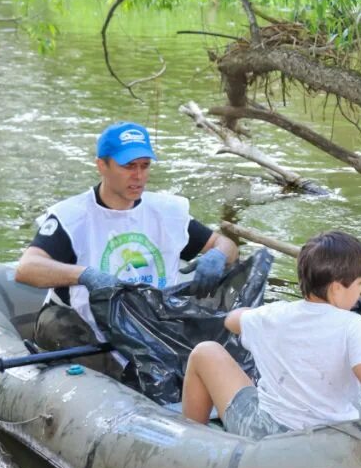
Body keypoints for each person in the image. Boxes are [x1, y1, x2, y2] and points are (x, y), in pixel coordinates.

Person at [180, 230, 361, 439]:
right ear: (335, 289)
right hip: (333, 433)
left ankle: (193, 438)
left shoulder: (273, 316)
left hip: (268, 432)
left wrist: (257, 313)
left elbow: (231, 320)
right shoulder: (352, 326)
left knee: (206, 352)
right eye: (359, 285)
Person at [14, 121, 239, 351]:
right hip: (77, 319)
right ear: (102, 166)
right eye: (129, 166)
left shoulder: (166, 213)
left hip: (146, 319)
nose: (139, 176)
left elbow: (225, 244)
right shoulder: (71, 216)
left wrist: (218, 254)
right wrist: (85, 275)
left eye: (145, 165)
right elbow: (26, 268)